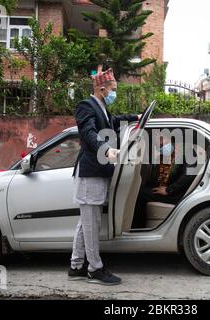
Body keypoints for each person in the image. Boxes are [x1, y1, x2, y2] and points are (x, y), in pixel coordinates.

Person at [68, 68, 140, 285]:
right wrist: (105, 148)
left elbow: (114, 121)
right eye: (113, 90)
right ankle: (94, 269)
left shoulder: (103, 109)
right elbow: (88, 132)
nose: (114, 93)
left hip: (97, 173)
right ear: (102, 88)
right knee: (91, 224)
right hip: (91, 172)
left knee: (85, 222)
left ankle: (76, 265)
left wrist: (135, 117)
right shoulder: (86, 106)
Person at [132, 137, 197, 228]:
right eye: (159, 144)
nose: (160, 145)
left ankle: (137, 227)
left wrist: (169, 190)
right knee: (142, 189)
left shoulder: (187, 151)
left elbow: (189, 175)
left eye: (162, 140)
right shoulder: (170, 153)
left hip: (177, 194)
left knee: (140, 194)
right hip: (171, 188)